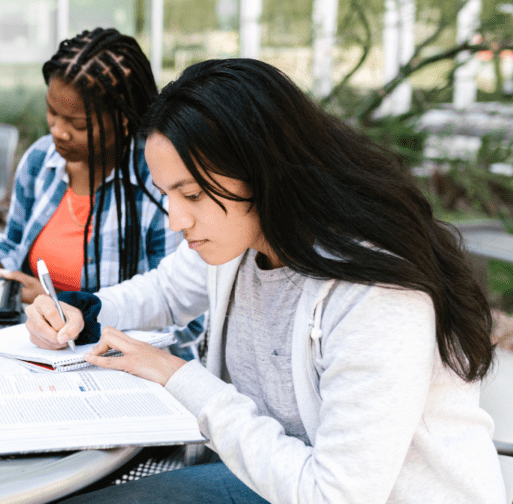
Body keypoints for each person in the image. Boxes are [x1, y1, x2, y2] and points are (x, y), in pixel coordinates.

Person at [28, 59, 507, 503]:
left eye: (191, 194)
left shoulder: (374, 294)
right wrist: (80, 311)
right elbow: (165, 291)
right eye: (167, 194)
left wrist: (179, 377)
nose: (176, 220)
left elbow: (334, 496)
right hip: (275, 480)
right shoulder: (244, 237)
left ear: (261, 171)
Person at [0, 27, 203, 358]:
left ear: (122, 119)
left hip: (124, 369)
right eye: (52, 113)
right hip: (37, 352)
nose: (58, 132)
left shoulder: (157, 183)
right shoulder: (40, 161)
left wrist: (64, 304)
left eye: (77, 124)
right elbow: (14, 244)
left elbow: (184, 316)